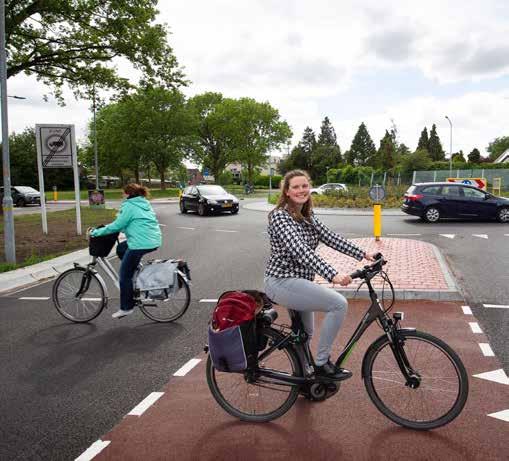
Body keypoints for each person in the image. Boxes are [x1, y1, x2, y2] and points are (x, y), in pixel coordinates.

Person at [263, 170, 375, 380]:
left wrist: (364, 254)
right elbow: (300, 250)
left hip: (299, 281)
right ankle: (322, 363)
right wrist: (332, 274)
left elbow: (331, 238)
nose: (301, 190)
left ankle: (305, 376)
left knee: (306, 334)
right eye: (295, 187)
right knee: (338, 304)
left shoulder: (307, 216)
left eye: (304, 186)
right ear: (287, 191)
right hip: (280, 281)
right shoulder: (280, 216)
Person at [90, 183, 162, 319]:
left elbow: (118, 225)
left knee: (124, 276)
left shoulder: (129, 205)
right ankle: (134, 272)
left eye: (123, 193)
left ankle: (126, 307)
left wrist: (96, 232)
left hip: (140, 243)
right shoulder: (143, 203)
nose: (122, 195)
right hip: (153, 239)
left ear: (129, 194)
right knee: (121, 248)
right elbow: (134, 223)